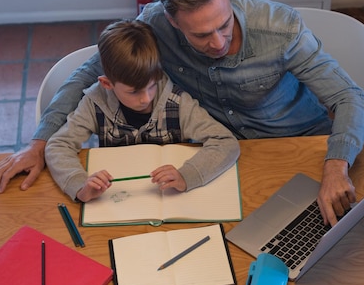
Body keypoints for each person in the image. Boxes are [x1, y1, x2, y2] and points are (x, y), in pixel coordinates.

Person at [0, 0, 364, 225]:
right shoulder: (155, 24)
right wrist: (39, 143)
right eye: (201, 35)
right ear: (171, 21)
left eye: (223, 25)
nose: (218, 42)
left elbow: (350, 98)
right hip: (220, 157)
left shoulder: (281, 28)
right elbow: (88, 75)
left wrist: (336, 167)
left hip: (299, 148)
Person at [44, 19, 239, 202]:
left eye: (152, 86)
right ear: (107, 84)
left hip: (171, 198)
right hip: (117, 200)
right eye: (134, 91)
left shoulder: (178, 102)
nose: (146, 98)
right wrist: (80, 186)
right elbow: (58, 145)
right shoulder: (94, 102)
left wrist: (186, 176)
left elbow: (226, 142)